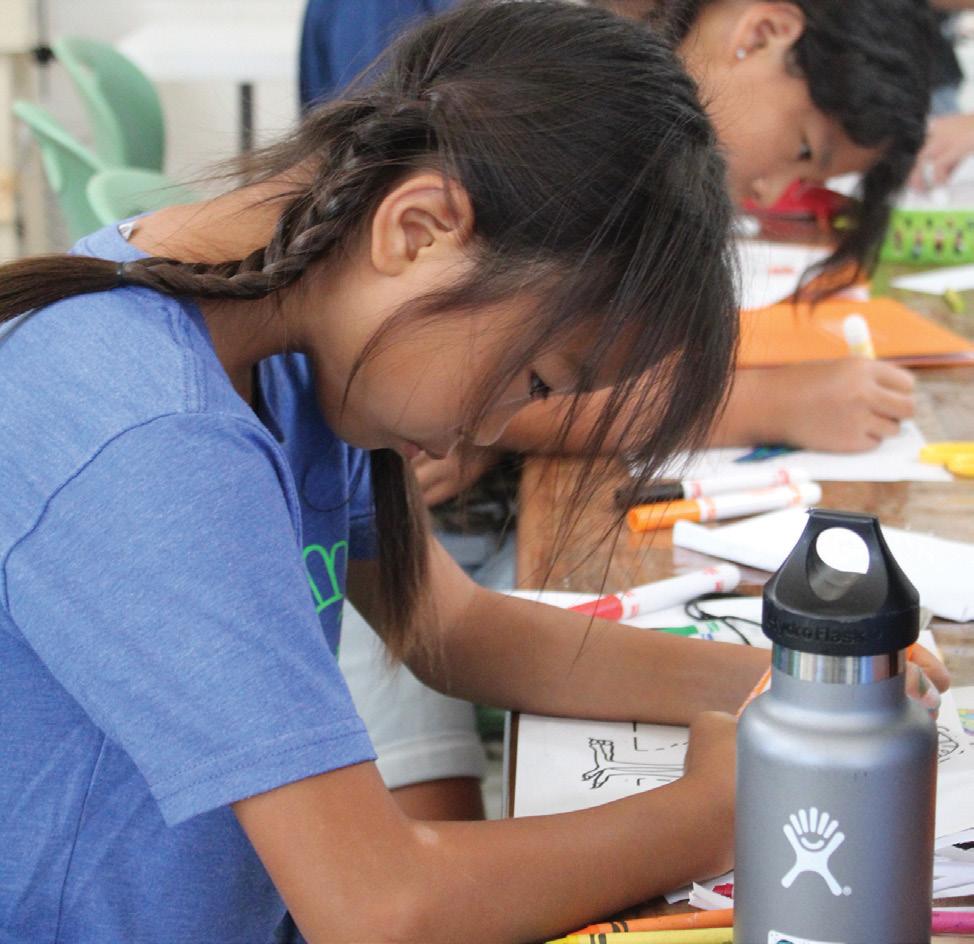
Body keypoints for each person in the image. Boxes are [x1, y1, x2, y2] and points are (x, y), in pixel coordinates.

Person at [0, 5, 781, 941]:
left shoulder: (280, 326)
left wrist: (786, 683)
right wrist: (714, 812)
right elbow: (375, 906)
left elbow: (454, 630)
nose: (490, 430)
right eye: (535, 379)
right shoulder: (154, 435)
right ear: (417, 229)